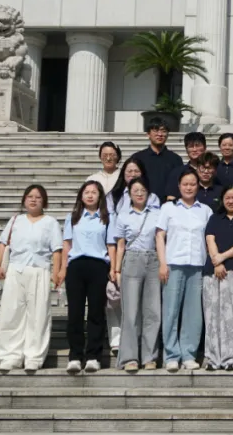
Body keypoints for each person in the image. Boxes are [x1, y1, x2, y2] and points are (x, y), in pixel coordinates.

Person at [0, 184, 62, 373]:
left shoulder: (50, 222)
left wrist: (56, 273)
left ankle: (34, 356)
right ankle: (11, 356)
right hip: (16, 270)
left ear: (44, 202)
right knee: (11, 313)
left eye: (38, 197)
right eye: (30, 196)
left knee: (38, 315)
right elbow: (3, 244)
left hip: (40, 270)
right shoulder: (15, 220)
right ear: (24, 200)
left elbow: (57, 250)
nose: (33, 200)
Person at [155, 169, 213, 372]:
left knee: (193, 313)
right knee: (170, 311)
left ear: (198, 186)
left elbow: (210, 239)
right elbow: (160, 236)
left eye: (193, 184)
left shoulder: (205, 210)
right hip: (173, 264)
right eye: (185, 184)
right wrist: (162, 263)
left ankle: (189, 354)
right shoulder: (168, 208)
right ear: (179, 186)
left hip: (197, 265)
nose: (189, 188)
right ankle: (171, 355)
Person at [108, 177, 162, 372]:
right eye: (135, 190)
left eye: (143, 190)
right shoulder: (123, 216)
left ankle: (150, 356)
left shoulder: (157, 214)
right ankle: (129, 357)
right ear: (129, 193)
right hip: (131, 260)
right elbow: (120, 246)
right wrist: (116, 270)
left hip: (153, 260)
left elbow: (160, 240)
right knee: (130, 312)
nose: (139, 193)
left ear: (148, 193)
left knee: (153, 311)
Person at [61, 181, 111, 374]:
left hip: (98, 266)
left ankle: (93, 356)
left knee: (96, 313)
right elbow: (67, 245)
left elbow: (111, 245)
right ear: (81, 196)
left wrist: (114, 269)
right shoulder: (73, 217)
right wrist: (62, 269)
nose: (90, 195)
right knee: (75, 312)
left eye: (94, 192)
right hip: (76, 266)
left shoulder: (107, 218)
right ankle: (75, 356)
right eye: (86, 192)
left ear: (100, 196)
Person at [202, 184, 233, 371]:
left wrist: (222, 257)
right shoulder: (215, 218)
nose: (231, 201)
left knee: (232, 315)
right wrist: (217, 262)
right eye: (227, 198)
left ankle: (231, 358)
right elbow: (210, 240)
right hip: (212, 271)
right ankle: (212, 358)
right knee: (211, 314)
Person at [88, 142, 123, 356]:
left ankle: (117, 339)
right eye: (105, 154)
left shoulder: (124, 177)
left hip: (121, 236)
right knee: (99, 293)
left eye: (112, 154)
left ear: (118, 156)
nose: (108, 157)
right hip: (98, 236)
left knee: (116, 293)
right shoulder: (93, 179)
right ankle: (99, 336)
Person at [133, 117, 183, 202]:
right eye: (155, 130)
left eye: (163, 131)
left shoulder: (176, 159)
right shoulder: (137, 158)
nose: (160, 134)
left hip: (169, 205)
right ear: (148, 134)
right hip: (143, 204)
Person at [164, 132, 207, 202]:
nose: (194, 149)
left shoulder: (213, 171)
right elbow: (170, 197)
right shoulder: (177, 172)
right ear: (186, 149)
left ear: (205, 148)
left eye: (197, 146)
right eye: (191, 146)